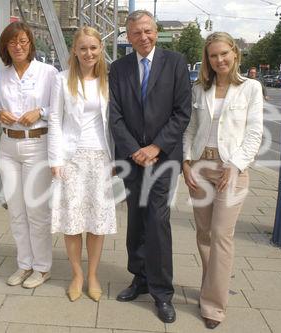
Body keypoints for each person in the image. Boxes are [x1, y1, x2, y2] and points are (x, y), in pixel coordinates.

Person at [109, 10, 191, 323]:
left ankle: (162, 292)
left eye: (147, 31)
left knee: (158, 221)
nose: (143, 38)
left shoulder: (176, 62)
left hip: (163, 157)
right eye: (135, 34)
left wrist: (155, 147)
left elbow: (182, 113)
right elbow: (114, 115)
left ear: (155, 31)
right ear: (127, 38)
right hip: (132, 159)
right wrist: (134, 151)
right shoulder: (119, 68)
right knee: (136, 219)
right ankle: (139, 277)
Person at [182, 32, 263, 329]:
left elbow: (254, 133)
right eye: (213, 56)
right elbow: (190, 129)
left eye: (224, 54)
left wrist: (236, 165)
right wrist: (186, 161)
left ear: (235, 54)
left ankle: (214, 306)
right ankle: (210, 288)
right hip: (201, 166)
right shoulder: (199, 88)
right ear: (208, 59)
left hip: (232, 169)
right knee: (203, 234)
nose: (220, 60)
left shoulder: (250, 88)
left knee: (220, 234)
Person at [48, 26, 116, 302]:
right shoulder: (62, 80)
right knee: (73, 221)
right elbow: (54, 119)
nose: (88, 53)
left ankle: (93, 275)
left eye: (93, 48)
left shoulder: (109, 81)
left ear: (100, 50)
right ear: (74, 51)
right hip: (71, 159)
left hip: (101, 158)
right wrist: (55, 159)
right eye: (83, 48)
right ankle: (77, 274)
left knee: (97, 222)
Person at [0, 22, 58, 289]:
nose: (18, 46)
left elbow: (58, 107)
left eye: (23, 41)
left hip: (36, 145)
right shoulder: (2, 74)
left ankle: (42, 268)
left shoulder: (48, 72)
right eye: (12, 42)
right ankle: (24, 264)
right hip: (8, 146)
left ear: (31, 43)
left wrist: (40, 112)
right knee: (16, 212)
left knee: (36, 210)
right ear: (5, 47)